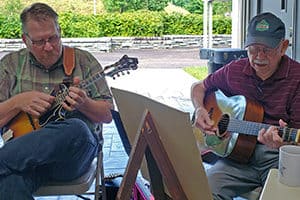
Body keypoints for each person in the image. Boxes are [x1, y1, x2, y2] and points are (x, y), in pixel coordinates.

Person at [0, 2, 113, 199]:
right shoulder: (10, 65)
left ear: (60, 31)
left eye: (53, 37)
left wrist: (84, 103)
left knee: (76, 128)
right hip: (26, 160)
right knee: (10, 181)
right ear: (25, 40)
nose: (49, 46)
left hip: (72, 157)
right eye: (39, 41)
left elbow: (107, 115)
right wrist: (18, 101)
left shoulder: (84, 60)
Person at [191, 12, 300, 199]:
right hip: (236, 159)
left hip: (278, 158)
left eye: (267, 49)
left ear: (283, 47)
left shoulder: (297, 78)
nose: (258, 56)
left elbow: (296, 135)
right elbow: (198, 87)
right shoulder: (235, 70)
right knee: (201, 192)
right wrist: (200, 108)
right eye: (253, 49)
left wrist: (285, 143)